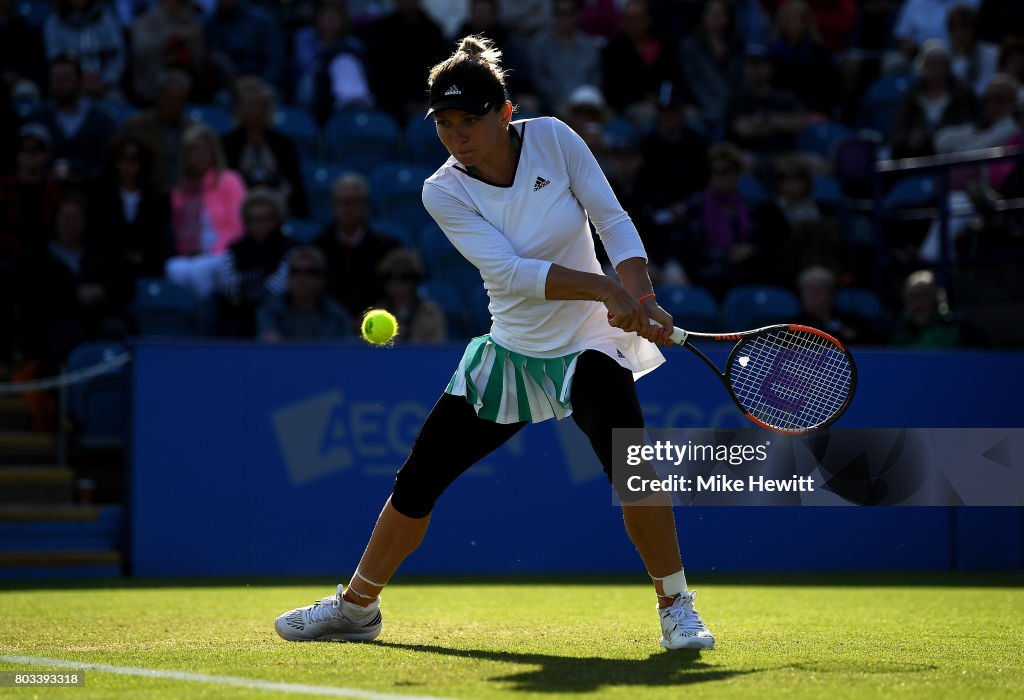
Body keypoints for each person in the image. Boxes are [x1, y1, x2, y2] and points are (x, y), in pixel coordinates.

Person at [274, 35, 714, 652]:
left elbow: (611, 218)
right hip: (512, 349)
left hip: (589, 340)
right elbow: (509, 273)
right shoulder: (442, 190)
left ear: (503, 113)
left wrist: (638, 296)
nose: (457, 136)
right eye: (445, 124)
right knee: (420, 477)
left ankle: (676, 605)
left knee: (630, 466)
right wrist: (604, 287)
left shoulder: (555, 139)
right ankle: (355, 608)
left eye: (470, 120)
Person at [165, 123, 246, 299]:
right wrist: (191, 251)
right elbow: (179, 231)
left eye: (202, 150)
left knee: (203, 270)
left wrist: (212, 252)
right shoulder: (179, 190)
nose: (197, 156)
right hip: (191, 256)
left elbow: (238, 227)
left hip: (225, 254)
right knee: (173, 268)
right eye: (192, 151)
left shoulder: (229, 180)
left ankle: (205, 319)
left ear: (213, 152)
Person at [312, 172, 401, 319]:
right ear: (332, 205)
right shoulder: (318, 248)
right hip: (328, 328)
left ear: (365, 206)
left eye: (354, 202)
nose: (347, 209)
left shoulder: (387, 249)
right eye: (341, 202)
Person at [222, 75, 309, 219]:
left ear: (266, 109)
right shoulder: (227, 144)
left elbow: (294, 186)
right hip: (239, 210)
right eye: (246, 105)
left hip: (278, 209)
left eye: (255, 105)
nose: (251, 111)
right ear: (239, 110)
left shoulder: (284, 144)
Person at [29, 55, 116, 182]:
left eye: (66, 78)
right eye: (56, 78)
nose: (60, 83)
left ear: (80, 80)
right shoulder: (37, 119)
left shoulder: (101, 121)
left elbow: (107, 164)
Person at [256, 245, 353, 341]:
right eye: (295, 272)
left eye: (310, 272)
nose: (301, 279)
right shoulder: (269, 311)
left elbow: (346, 352)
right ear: (288, 277)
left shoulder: (336, 316)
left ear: (322, 279)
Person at [43, 0, 126, 99]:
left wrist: (106, 81)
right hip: (67, 86)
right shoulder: (54, 22)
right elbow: (55, 58)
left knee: (115, 100)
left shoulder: (106, 19)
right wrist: (78, 80)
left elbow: (116, 57)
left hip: (103, 85)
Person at [375, 248, 447, 344]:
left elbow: (436, 351)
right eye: (389, 277)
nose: (396, 284)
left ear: (414, 281)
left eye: (403, 277)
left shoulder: (431, 313)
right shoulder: (376, 314)